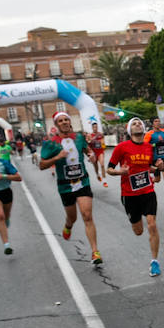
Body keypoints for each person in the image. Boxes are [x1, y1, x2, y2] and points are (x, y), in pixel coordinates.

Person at [39, 111, 102, 264]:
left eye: (66, 119)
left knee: (87, 216)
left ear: (70, 122)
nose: (64, 122)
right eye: (60, 121)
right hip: (65, 186)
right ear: (56, 125)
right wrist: (56, 158)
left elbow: (87, 150)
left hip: (82, 181)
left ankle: (95, 252)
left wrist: (91, 155)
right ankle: (68, 225)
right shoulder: (51, 143)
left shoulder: (79, 137)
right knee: (72, 217)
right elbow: (41, 165)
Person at [108, 118, 164, 277]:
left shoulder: (148, 147)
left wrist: (158, 168)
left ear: (144, 128)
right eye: (134, 123)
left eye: (139, 123)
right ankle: (135, 220)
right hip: (129, 195)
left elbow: (153, 170)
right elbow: (109, 169)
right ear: (129, 130)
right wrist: (121, 172)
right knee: (138, 231)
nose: (138, 124)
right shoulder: (121, 147)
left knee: (152, 225)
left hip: (147, 192)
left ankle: (155, 262)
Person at [145, 118, 164, 206]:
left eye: (158, 121)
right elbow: (144, 146)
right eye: (155, 121)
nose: (158, 123)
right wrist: (154, 145)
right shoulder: (149, 134)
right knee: (157, 179)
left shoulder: (163, 131)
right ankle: (149, 183)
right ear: (152, 124)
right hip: (155, 159)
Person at [87, 122, 108, 187]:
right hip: (94, 153)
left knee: (102, 165)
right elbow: (88, 144)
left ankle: (104, 181)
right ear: (92, 128)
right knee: (96, 167)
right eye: (94, 127)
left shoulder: (100, 134)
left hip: (100, 152)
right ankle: (98, 175)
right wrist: (90, 141)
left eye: (96, 127)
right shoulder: (90, 135)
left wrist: (103, 144)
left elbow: (103, 143)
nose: (95, 128)